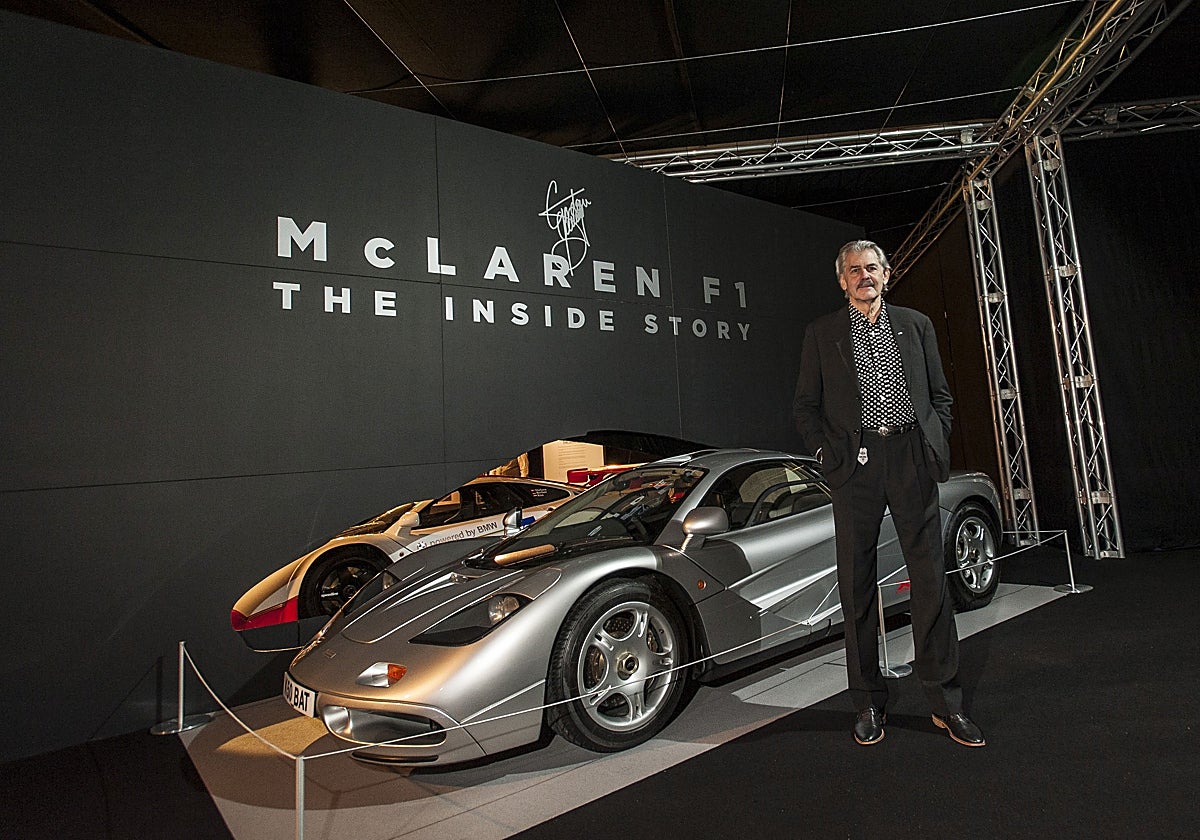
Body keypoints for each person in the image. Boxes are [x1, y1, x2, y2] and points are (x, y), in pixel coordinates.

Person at [792, 240, 985, 748]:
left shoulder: (916, 325)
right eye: (853, 270)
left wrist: (932, 441)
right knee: (857, 587)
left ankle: (946, 703)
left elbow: (941, 395)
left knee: (930, 583)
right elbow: (804, 407)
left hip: (909, 460)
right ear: (842, 280)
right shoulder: (822, 333)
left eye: (872, 268)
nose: (864, 276)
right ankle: (868, 704)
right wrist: (827, 453)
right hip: (854, 469)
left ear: (887, 273)